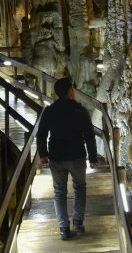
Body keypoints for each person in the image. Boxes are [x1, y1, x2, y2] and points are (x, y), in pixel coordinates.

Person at [36, 76, 99, 240]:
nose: (74, 90)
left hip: (56, 156)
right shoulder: (80, 110)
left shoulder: (50, 111)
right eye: (72, 88)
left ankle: (63, 227)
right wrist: (93, 157)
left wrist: (43, 154)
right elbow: (89, 136)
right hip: (77, 155)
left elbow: (41, 134)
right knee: (80, 187)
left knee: (59, 192)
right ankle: (78, 223)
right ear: (69, 91)